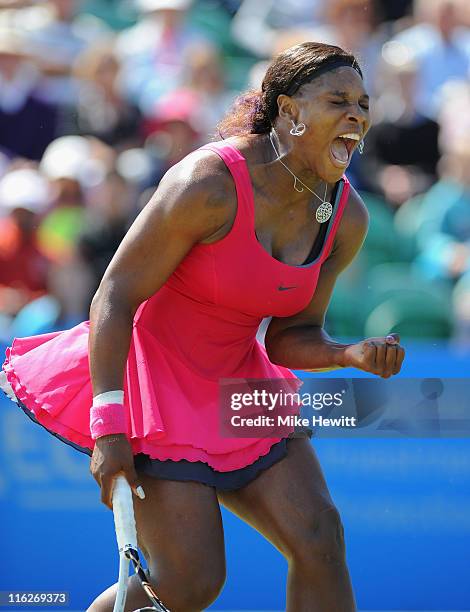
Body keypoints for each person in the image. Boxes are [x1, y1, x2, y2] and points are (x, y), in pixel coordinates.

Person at [1, 42, 405, 611]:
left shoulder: (345, 216)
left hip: (242, 388)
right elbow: (113, 296)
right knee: (190, 585)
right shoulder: (208, 182)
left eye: (363, 104)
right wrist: (110, 426)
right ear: (288, 110)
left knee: (320, 540)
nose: (357, 115)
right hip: (154, 383)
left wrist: (348, 354)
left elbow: (288, 337)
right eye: (338, 100)